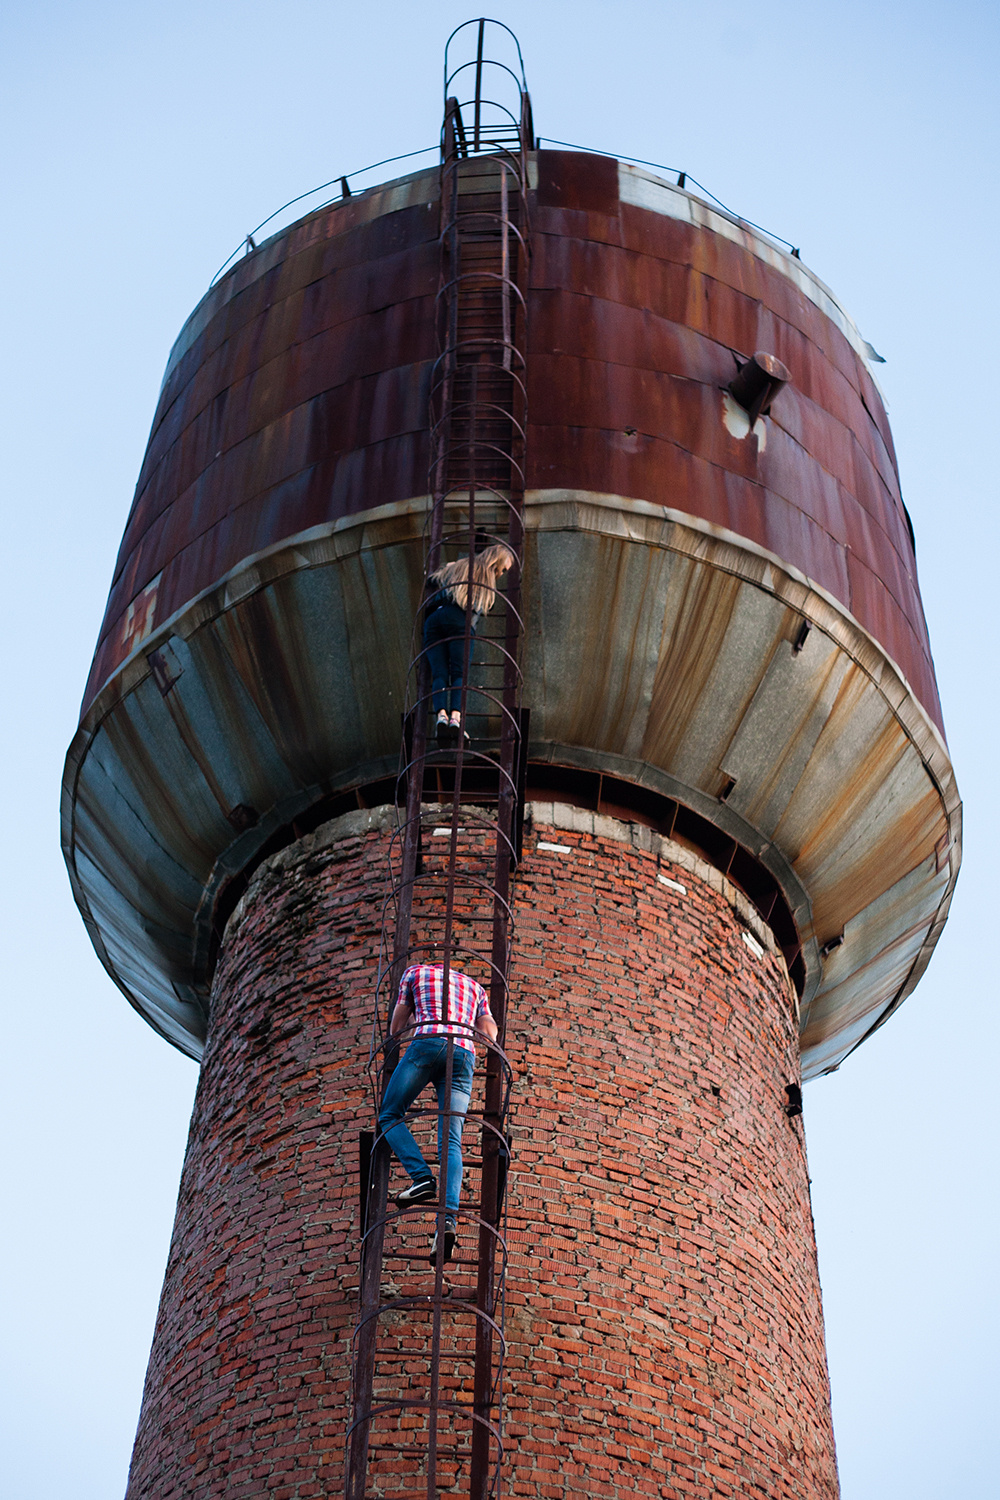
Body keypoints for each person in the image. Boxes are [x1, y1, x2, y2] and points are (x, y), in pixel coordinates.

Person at [378, 959, 498, 1263]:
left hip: (427, 1043)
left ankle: (422, 1179)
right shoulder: (475, 988)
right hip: (463, 1056)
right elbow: (488, 1033)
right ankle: (447, 1221)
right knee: (452, 1140)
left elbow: (397, 1027)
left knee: (390, 1114)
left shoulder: (414, 973)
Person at [422, 543, 515, 744]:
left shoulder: (461, 564)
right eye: (504, 568)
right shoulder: (486, 580)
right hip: (459, 621)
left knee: (439, 673)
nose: (503, 573)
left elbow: (432, 580)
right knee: (459, 673)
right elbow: (475, 611)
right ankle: (455, 719)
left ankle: (441, 717)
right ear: (496, 563)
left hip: (433, 620)